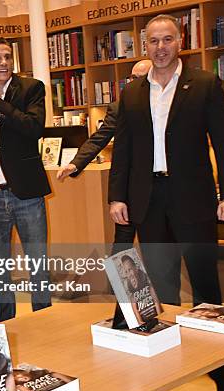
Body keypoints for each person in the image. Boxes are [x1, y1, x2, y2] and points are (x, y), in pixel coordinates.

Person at [108, 14, 224, 307]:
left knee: (204, 281)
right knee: (161, 283)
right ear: (144, 45)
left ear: (179, 42)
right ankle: (170, 347)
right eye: (153, 41)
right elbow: (123, 149)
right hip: (148, 200)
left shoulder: (205, 84)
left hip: (194, 198)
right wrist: (117, 198)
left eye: (167, 39)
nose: (160, 47)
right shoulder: (131, 93)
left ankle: (210, 349)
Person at [0, 37, 51, 322]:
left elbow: (34, 128)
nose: (3, 63)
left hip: (25, 193)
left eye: (7, 57)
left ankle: (44, 318)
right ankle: (6, 321)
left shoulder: (31, 88)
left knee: (37, 262)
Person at [57, 60, 152, 253]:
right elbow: (100, 137)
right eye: (133, 78)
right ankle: (117, 284)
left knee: (157, 247)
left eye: (143, 77)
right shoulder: (120, 106)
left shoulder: (167, 104)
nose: (137, 82)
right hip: (130, 188)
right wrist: (75, 164)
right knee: (122, 245)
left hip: (160, 187)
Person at [119, 254, 163, 323]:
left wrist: (160, 320)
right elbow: (136, 314)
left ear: (136, 268)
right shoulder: (132, 296)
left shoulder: (149, 287)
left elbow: (156, 302)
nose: (129, 275)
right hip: (145, 323)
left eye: (130, 270)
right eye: (126, 272)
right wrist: (142, 323)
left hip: (156, 318)